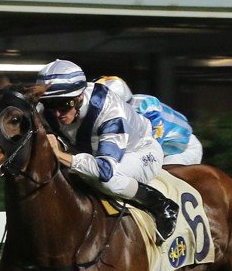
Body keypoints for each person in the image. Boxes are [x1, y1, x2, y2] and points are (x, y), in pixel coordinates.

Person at [36, 59, 178, 243]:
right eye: (50, 105)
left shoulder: (109, 112)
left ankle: (161, 204)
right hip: (94, 153)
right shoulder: (47, 109)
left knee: (106, 182)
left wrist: (59, 154)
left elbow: (104, 170)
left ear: (79, 98)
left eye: (64, 105)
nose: (57, 114)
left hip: (139, 152)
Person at [98, 76, 202, 166]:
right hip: (166, 150)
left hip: (184, 149)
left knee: (159, 173)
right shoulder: (121, 112)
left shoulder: (147, 106)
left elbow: (152, 142)